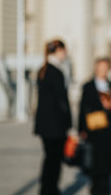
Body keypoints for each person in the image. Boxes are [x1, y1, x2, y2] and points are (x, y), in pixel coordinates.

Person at [78, 57, 111, 195]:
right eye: (100, 67)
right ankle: (95, 188)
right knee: (95, 162)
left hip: (109, 130)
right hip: (94, 130)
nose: (103, 70)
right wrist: (81, 129)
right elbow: (82, 109)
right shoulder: (88, 86)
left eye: (105, 67)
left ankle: (106, 188)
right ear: (96, 68)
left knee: (107, 162)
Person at [34, 39, 72, 195]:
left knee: (49, 159)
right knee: (54, 161)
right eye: (64, 51)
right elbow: (62, 101)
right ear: (58, 51)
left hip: (44, 125)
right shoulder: (57, 71)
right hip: (56, 126)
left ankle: (46, 189)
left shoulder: (43, 70)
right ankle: (51, 190)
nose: (65, 54)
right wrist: (69, 123)